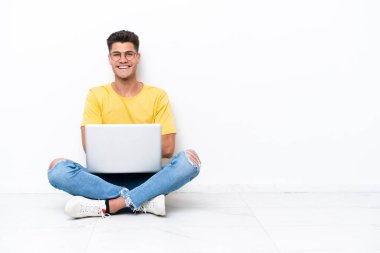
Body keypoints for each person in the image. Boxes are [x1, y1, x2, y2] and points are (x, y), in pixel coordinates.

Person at [47, 30, 201, 218]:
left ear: (137, 58)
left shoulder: (157, 95)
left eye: (129, 54)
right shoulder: (96, 95)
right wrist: (139, 146)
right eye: (116, 54)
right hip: (102, 181)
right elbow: (90, 147)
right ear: (110, 59)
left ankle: (110, 205)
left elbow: (168, 148)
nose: (123, 60)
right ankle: (143, 201)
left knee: (189, 162)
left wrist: (118, 146)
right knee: (57, 170)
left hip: (149, 178)